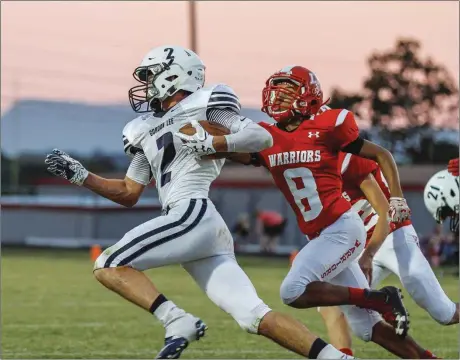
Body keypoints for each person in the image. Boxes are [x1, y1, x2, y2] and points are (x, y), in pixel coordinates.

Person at [44, 45, 357, 360]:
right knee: (254, 316)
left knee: (108, 263)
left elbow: (260, 138)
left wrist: (213, 142)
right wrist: (83, 176)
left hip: (191, 211)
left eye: (151, 75)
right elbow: (128, 191)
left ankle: (178, 321)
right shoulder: (141, 129)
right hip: (199, 225)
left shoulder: (205, 102)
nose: (146, 84)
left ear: (173, 74)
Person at [218, 65, 435, 358]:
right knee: (367, 327)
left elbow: (382, 154)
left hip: (342, 229)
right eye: (276, 89)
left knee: (292, 290)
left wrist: (396, 199)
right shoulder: (265, 137)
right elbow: (227, 148)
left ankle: (379, 298)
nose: (278, 96)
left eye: (288, 90)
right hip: (320, 236)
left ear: (308, 95)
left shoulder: (328, 127)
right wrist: (199, 137)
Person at [318, 153, 458, 358]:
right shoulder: (307, 162)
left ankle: (385, 302)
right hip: (360, 244)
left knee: (445, 313)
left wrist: (369, 253)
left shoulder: (344, 154)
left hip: (392, 235)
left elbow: (382, 157)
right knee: (333, 303)